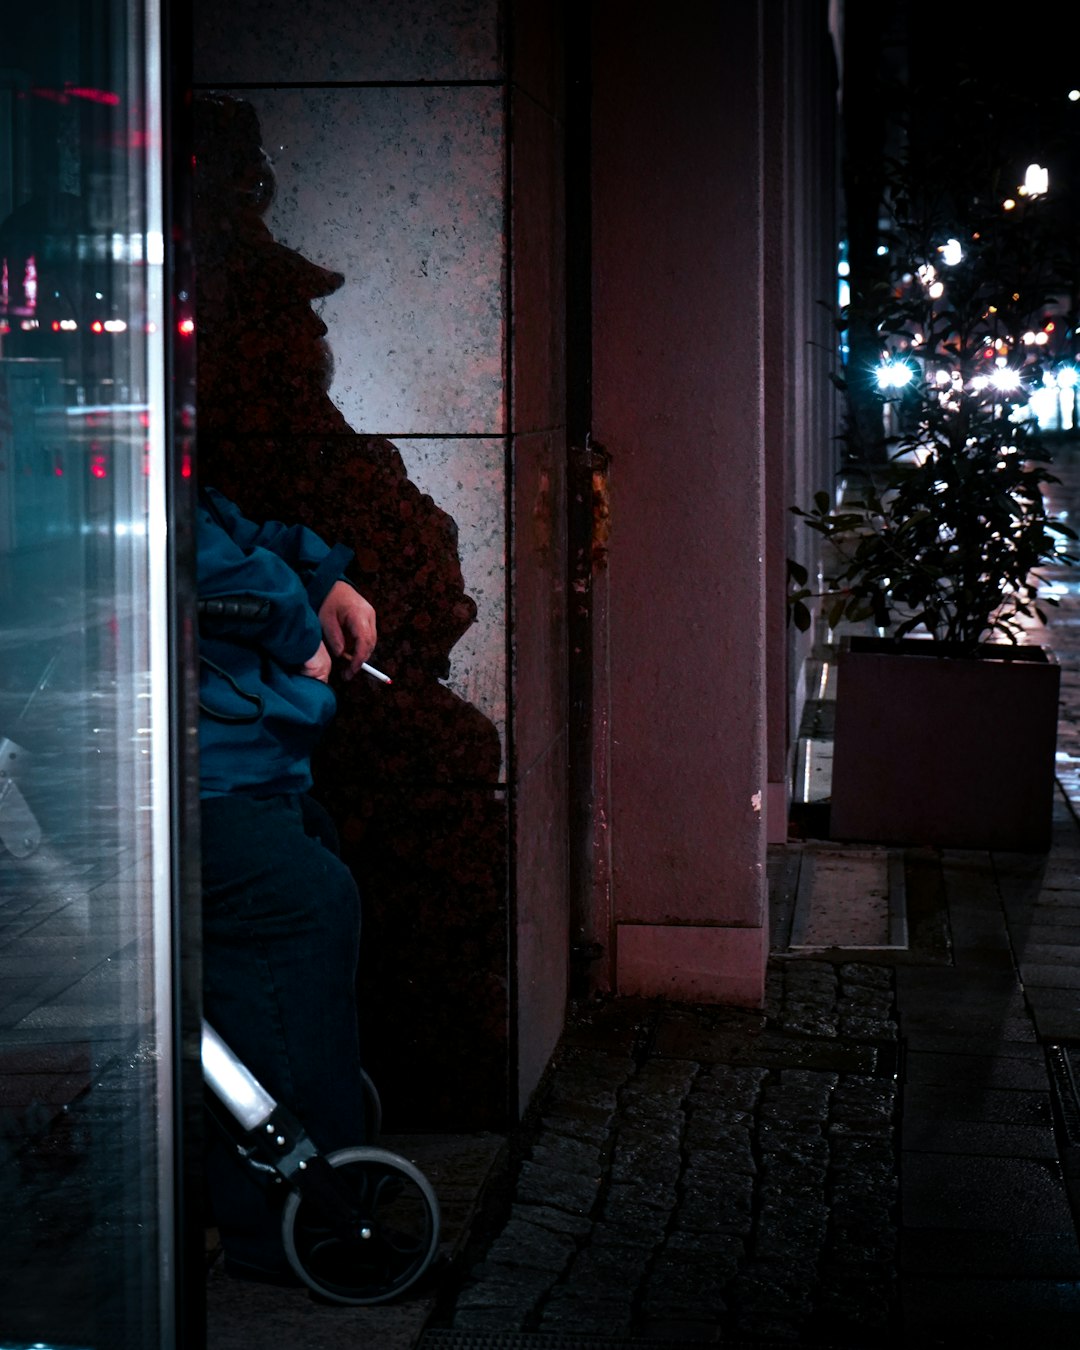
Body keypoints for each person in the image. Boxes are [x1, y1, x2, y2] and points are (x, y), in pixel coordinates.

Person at [196, 482, 377, 1284]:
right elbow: (182, 549)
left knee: (310, 873)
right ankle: (300, 1224)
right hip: (189, 768)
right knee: (296, 905)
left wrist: (319, 580)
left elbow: (211, 520)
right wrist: (298, 620)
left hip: (232, 751)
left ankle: (310, 1185)